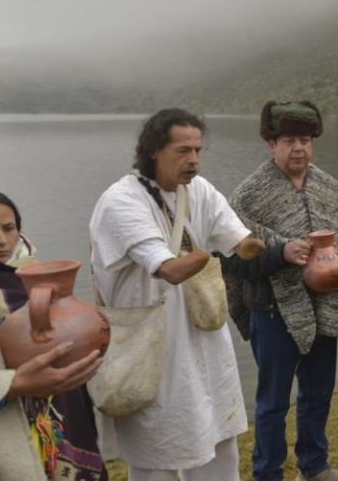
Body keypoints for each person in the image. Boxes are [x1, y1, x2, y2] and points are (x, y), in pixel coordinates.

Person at [89, 109, 264, 481]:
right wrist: (203, 255)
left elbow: (236, 237)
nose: (194, 160)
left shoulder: (198, 189)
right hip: (150, 342)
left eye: (198, 150)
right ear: (154, 150)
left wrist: (254, 246)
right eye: (183, 151)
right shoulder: (122, 201)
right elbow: (168, 269)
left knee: (218, 433)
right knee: (159, 445)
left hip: (202, 333)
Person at [225, 101, 338, 481]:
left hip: (325, 307)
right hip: (273, 311)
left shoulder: (332, 189)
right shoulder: (248, 196)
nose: (298, 148)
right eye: (289, 141)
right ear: (271, 143)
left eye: (305, 140)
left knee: (318, 392)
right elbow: (231, 260)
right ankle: (267, 474)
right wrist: (280, 253)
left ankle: (314, 466)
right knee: (272, 402)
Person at [0, 189, 105, 481]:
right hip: (0, 418)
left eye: (9, 228)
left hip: (61, 403)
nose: (2, 240)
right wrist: (13, 383)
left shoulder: (33, 275)